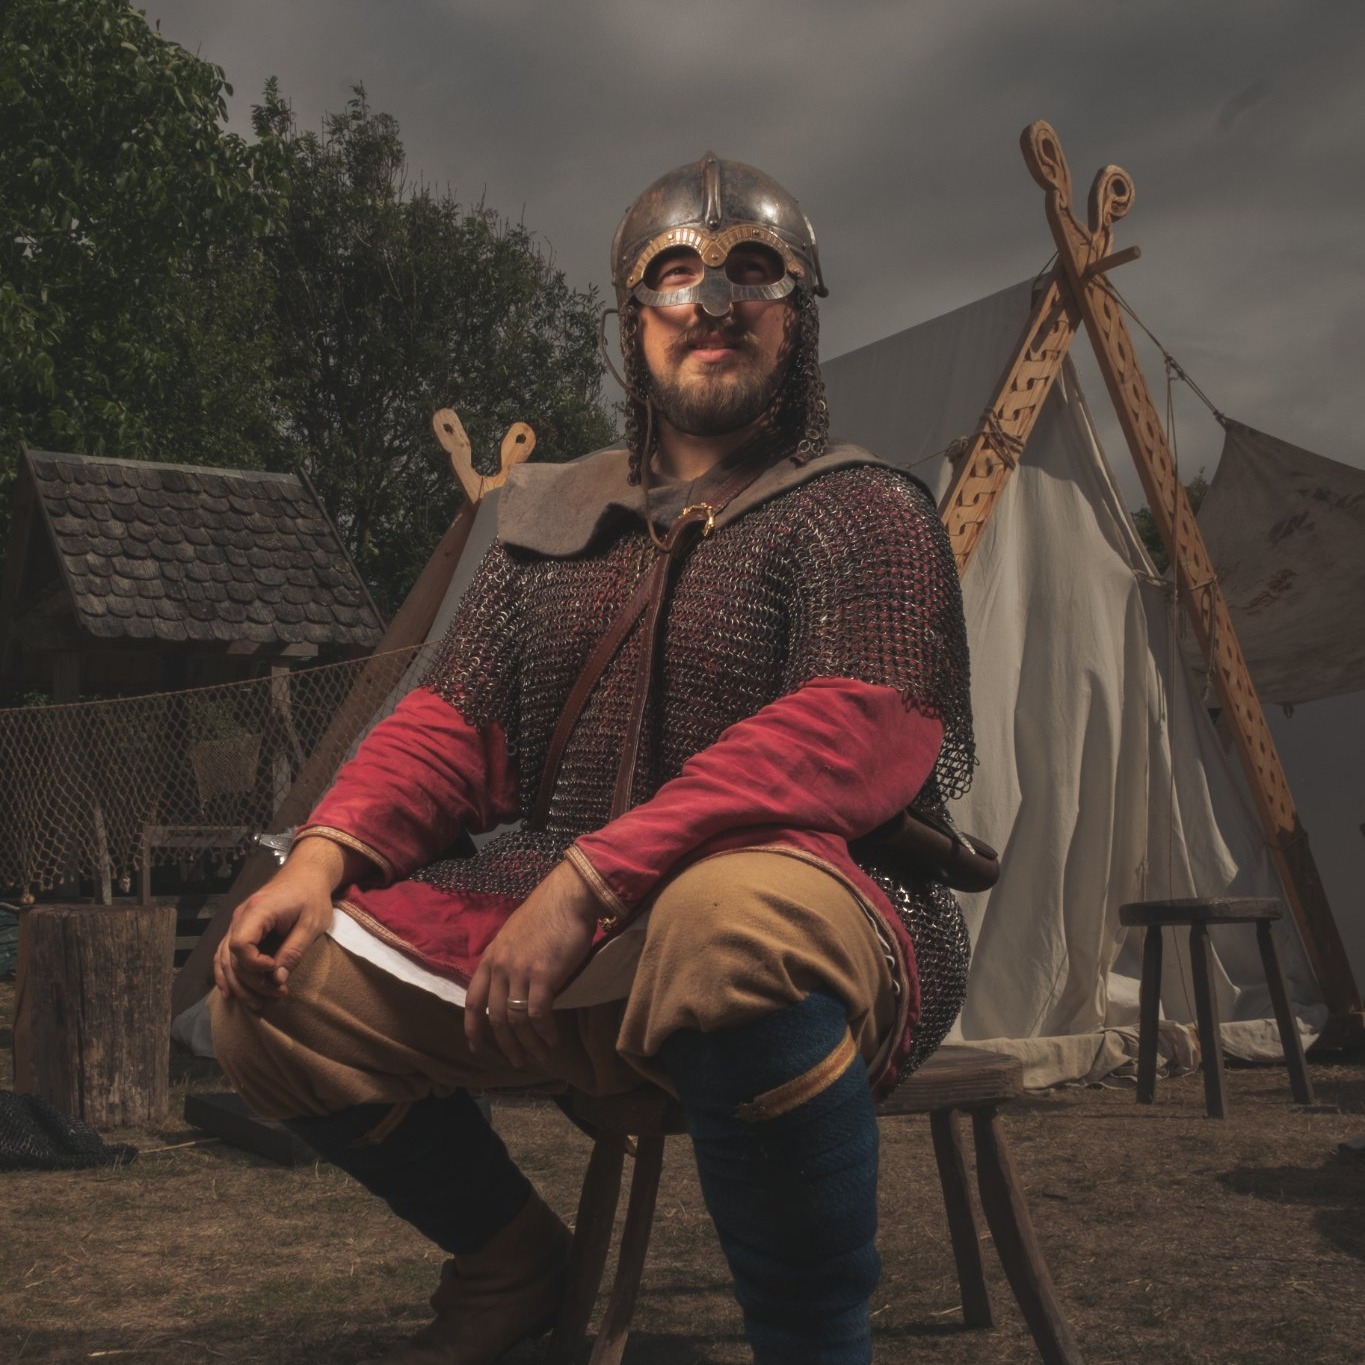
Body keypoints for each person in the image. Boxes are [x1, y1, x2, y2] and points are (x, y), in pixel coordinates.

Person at [210, 152, 975, 1365]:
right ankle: (512, 1261)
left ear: (798, 310)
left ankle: (812, 1344)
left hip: (802, 927)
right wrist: (318, 860)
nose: (712, 302)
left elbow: (850, 735)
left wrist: (590, 882)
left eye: (753, 271)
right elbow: (446, 728)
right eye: (676, 274)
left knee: (726, 921)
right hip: (565, 943)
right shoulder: (557, 522)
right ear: (633, 318)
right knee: (271, 993)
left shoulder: (861, 509)